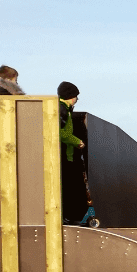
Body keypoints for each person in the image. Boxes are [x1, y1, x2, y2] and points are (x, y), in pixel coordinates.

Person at [57, 81, 88, 224]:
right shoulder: (62, 110)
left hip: (66, 154)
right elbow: (61, 134)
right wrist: (78, 142)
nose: (76, 100)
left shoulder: (65, 109)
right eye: (76, 96)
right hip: (64, 154)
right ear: (71, 96)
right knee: (68, 187)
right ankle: (67, 217)